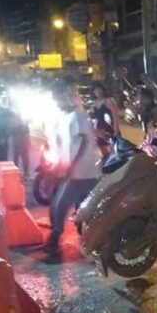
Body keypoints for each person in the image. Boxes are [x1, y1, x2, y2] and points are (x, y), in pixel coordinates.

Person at [42, 79, 102, 262]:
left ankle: (55, 242)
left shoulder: (79, 115)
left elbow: (85, 141)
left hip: (83, 172)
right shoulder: (61, 116)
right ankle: (86, 242)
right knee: (79, 208)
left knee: (61, 206)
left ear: (65, 96)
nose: (57, 101)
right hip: (70, 171)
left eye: (58, 97)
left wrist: (73, 165)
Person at [91, 82, 120, 157]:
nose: (97, 91)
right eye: (95, 90)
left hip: (109, 129)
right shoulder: (95, 103)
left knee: (113, 152)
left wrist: (116, 131)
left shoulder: (109, 101)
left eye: (99, 89)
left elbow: (115, 116)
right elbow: (95, 118)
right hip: (100, 130)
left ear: (103, 89)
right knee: (103, 151)